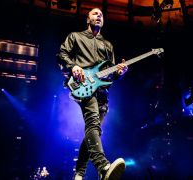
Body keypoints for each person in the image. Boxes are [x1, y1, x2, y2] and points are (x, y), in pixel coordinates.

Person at [57, 7, 128, 180]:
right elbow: (62, 54)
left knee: (93, 130)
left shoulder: (108, 45)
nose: (99, 16)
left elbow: (109, 75)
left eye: (101, 14)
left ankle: (79, 174)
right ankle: (103, 167)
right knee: (93, 126)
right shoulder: (76, 37)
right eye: (95, 13)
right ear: (87, 19)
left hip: (102, 92)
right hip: (85, 87)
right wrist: (73, 66)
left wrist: (119, 73)